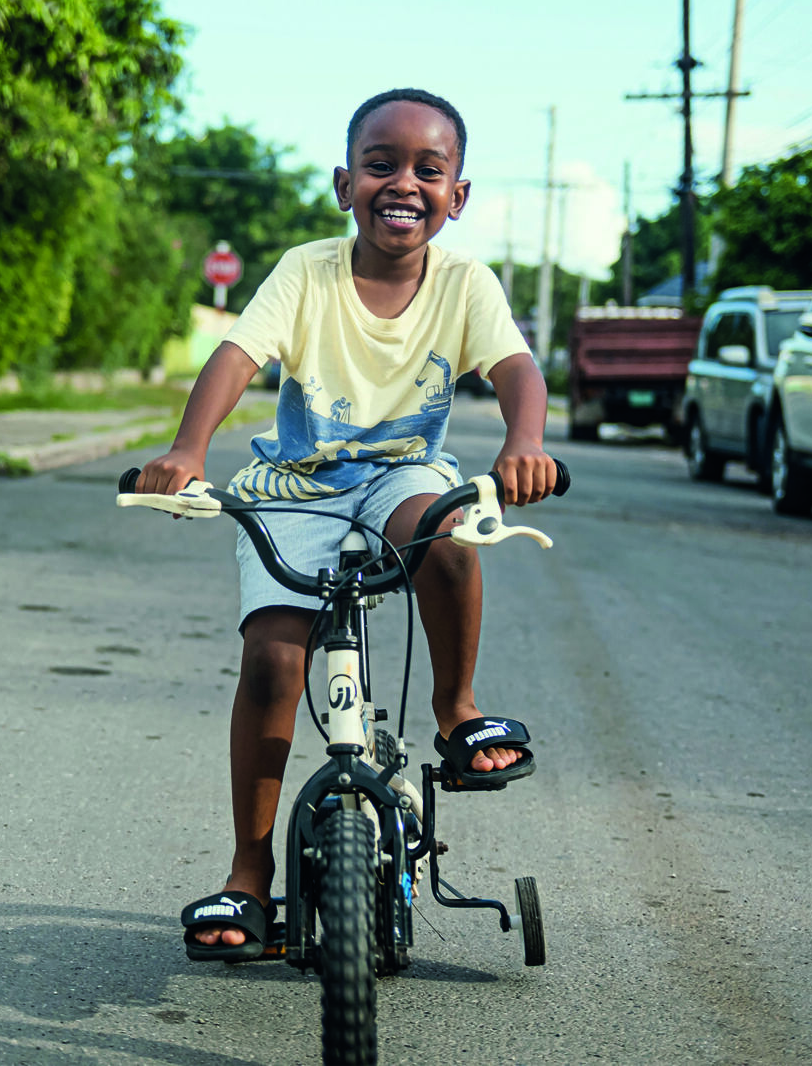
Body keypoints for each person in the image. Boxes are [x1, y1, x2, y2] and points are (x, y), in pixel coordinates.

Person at [133, 88, 559, 960]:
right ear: (345, 182)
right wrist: (186, 450)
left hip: (399, 476)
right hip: (296, 487)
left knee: (446, 530)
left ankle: (456, 710)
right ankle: (250, 874)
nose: (402, 183)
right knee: (272, 659)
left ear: (458, 195)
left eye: (427, 170)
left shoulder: (466, 284)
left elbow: (516, 367)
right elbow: (237, 355)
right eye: (380, 164)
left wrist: (524, 444)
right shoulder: (307, 271)